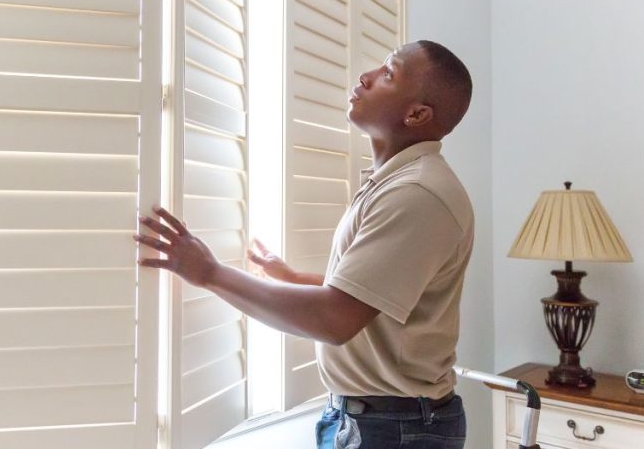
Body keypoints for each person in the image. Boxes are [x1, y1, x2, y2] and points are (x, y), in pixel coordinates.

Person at [134, 40, 474, 449]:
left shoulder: (417, 193)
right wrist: (296, 278)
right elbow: (370, 297)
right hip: (373, 420)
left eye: (388, 73)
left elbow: (335, 320)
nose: (365, 77)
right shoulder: (395, 182)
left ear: (417, 114)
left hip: (395, 430)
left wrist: (210, 273)